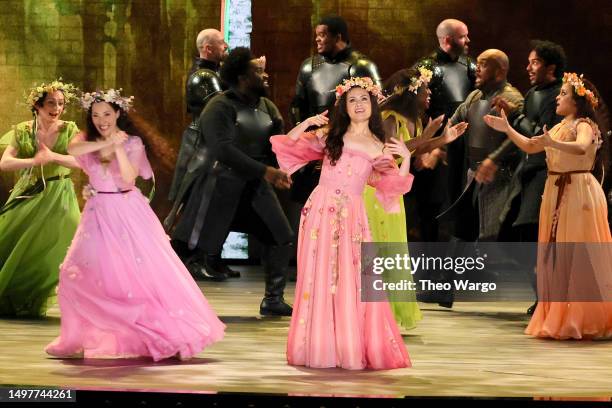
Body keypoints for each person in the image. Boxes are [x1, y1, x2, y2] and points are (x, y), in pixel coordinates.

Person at [45, 89, 225, 360]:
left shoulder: (133, 143)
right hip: (97, 212)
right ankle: (75, 338)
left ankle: (152, 333)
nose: (101, 120)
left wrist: (117, 147)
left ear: (118, 113)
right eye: (95, 115)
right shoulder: (84, 139)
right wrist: (103, 144)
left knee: (135, 278)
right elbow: (74, 149)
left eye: (107, 114)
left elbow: (129, 179)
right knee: (73, 273)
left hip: (126, 211)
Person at [271, 77, 412, 370]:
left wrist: (407, 158)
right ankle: (319, 346)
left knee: (351, 280)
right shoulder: (332, 134)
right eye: (352, 100)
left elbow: (391, 185)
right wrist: (305, 123)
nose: (359, 104)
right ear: (344, 106)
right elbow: (289, 147)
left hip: (353, 217)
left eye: (364, 99)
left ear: (372, 104)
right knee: (318, 275)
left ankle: (347, 344)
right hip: (321, 210)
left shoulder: (378, 144)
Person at [484, 73, 612, 339]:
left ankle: (582, 317)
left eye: (564, 93)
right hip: (556, 192)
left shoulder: (584, 123)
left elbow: (581, 147)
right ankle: (561, 314)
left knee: (577, 253)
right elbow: (531, 146)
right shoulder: (559, 125)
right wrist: (508, 129)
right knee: (556, 254)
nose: (558, 97)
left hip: (578, 190)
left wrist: (554, 143)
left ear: (577, 101)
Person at [170, 48, 294, 316]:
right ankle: (166, 301)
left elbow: (278, 145)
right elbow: (222, 149)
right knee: (189, 248)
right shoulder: (219, 106)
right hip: (218, 187)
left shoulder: (267, 107)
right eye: (259, 72)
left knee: (281, 237)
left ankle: (273, 300)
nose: (266, 75)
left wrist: (294, 156)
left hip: (255, 187)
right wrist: (266, 172)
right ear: (241, 77)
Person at [366, 67, 468, 329]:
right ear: (413, 93)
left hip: (393, 190)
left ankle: (389, 313)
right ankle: (373, 311)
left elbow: (418, 150)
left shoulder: (417, 119)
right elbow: (390, 151)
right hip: (376, 192)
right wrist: (425, 138)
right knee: (382, 249)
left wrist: (443, 138)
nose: (429, 94)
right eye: (425, 89)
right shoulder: (389, 117)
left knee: (396, 248)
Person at [477, 40, 566, 315]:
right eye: (528, 62)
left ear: (551, 68)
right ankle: (542, 295)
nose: (528, 67)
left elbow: (540, 136)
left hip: (544, 172)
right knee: (506, 236)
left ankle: (547, 299)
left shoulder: (558, 96)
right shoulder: (533, 93)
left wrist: (515, 116)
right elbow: (521, 136)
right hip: (525, 173)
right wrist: (496, 157)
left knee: (529, 232)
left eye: (534, 62)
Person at [0, 80, 80, 317]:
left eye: (61, 103)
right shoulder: (23, 130)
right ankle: (15, 296)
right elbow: (5, 163)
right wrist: (33, 161)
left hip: (60, 196)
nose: (56, 108)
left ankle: (84, 304)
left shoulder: (69, 130)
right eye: (51, 103)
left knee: (69, 247)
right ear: (37, 105)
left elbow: (81, 161)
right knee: (14, 245)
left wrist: (54, 156)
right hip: (29, 193)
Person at [289, 15, 381, 204]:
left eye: (322, 35)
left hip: (348, 149)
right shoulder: (309, 66)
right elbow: (297, 105)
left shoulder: (363, 65)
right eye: (316, 35)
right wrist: (306, 137)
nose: (317, 39)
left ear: (337, 37)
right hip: (314, 145)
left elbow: (378, 106)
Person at [167, 28, 234, 280]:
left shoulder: (216, 73)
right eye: (221, 43)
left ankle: (210, 256)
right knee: (198, 202)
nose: (225, 46)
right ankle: (192, 258)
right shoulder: (203, 76)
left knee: (215, 204)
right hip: (202, 146)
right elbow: (219, 108)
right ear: (208, 48)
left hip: (214, 143)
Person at [412, 18, 476, 242]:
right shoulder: (425, 68)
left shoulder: (470, 66)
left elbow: (477, 101)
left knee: (462, 204)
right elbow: (415, 110)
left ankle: (456, 269)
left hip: (462, 145)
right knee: (431, 206)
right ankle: (429, 269)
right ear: (448, 40)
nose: (468, 40)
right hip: (434, 144)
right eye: (463, 36)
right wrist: (423, 148)